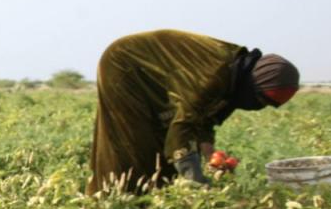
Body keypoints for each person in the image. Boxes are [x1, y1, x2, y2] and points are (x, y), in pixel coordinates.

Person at [89, 29, 299, 193]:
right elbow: (183, 126)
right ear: (254, 84)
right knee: (136, 143)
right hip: (126, 65)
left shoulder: (236, 79)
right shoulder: (213, 77)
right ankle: (116, 201)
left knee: (167, 148)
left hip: (156, 78)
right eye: (260, 99)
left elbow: (205, 121)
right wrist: (197, 182)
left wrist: (210, 157)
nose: (258, 106)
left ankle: (158, 197)